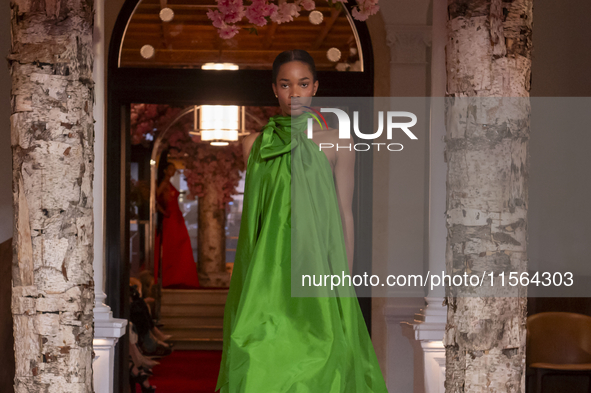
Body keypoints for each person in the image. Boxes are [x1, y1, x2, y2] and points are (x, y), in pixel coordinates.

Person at [216, 50, 388, 392]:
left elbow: (344, 212)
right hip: (265, 279)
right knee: (256, 365)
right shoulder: (253, 144)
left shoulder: (339, 141)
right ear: (275, 89)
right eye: (285, 84)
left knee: (323, 367)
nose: (294, 92)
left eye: (303, 83)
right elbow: (253, 220)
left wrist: (346, 278)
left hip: (319, 272)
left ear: (315, 88)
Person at [154, 162, 200, 289]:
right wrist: (163, 212)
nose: (173, 171)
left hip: (176, 216)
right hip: (170, 218)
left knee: (180, 246)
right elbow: (155, 200)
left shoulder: (169, 183)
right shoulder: (163, 183)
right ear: (165, 171)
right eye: (170, 169)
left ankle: (179, 276)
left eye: (174, 169)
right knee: (173, 246)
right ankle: (170, 277)